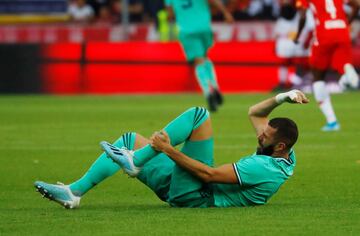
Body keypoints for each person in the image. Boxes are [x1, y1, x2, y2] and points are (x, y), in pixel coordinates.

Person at [34, 90, 309, 209]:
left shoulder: (264, 168)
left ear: (279, 145)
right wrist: (284, 97)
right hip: (184, 188)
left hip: (198, 195)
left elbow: (210, 175)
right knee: (129, 140)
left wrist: (167, 149)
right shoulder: (282, 153)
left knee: (199, 115)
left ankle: (137, 162)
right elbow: (254, 112)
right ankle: (74, 193)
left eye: (266, 135)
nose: (260, 135)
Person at [294, 0, 359, 131]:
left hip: (324, 33)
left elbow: (302, 15)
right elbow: (357, 4)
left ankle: (332, 122)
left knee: (318, 77)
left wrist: (298, 35)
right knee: (341, 66)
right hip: (342, 31)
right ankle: (346, 77)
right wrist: (347, 23)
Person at [165, 0, 234, 112]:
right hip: (204, 27)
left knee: (198, 61)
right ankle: (215, 87)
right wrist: (225, 12)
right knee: (204, 57)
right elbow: (214, 1)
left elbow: (170, 14)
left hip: (187, 30)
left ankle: (208, 93)